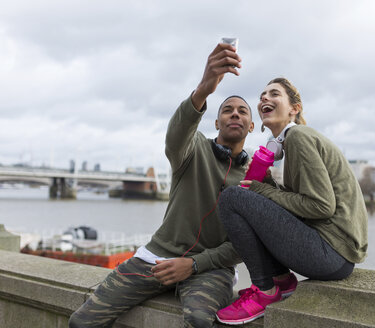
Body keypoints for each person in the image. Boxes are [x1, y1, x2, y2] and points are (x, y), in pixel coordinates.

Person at [69, 43, 254, 328]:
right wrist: (203, 89)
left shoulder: (257, 175)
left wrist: (193, 265)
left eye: (242, 112)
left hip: (210, 268)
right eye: (228, 110)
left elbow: (244, 245)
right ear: (216, 121)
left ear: (252, 127)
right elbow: (177, 134)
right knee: (82, 322)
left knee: (201, 321)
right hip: (155, 257)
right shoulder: (192, 150)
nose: (235, 114)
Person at [215, 77, 368, 325]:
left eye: (274, 94)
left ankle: (265, 291)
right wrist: (268, 185)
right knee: (248, 197)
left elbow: (321, 206)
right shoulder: (291, 143)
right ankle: (281, 282)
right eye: (262, 95)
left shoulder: (298, 138)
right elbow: (300, 206)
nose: (264, 98)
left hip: (332, 253)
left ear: (294, 108)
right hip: (336, 255)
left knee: (232, 197)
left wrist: (262, 192)